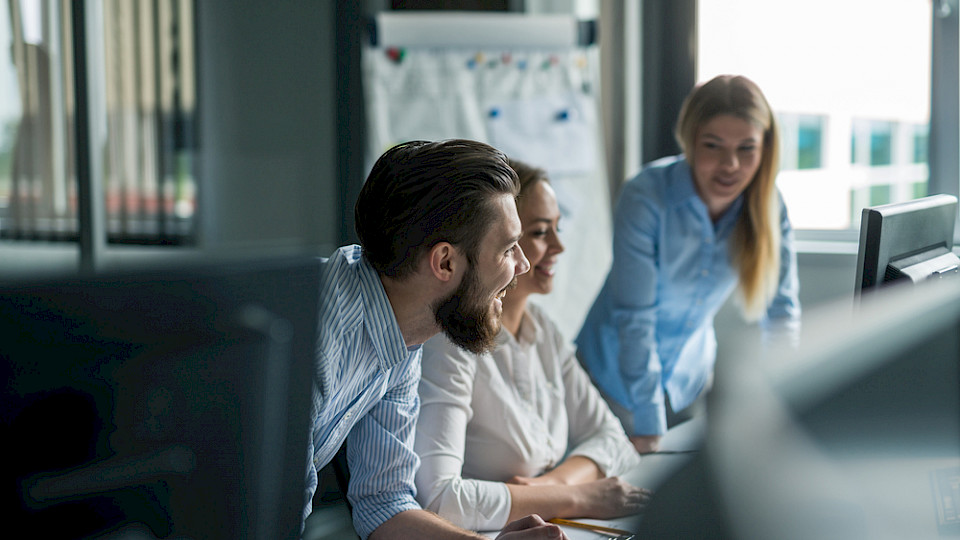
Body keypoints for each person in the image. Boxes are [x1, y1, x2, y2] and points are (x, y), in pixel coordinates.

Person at [308, 139, 571, 540]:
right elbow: (266, 515)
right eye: (507, 249)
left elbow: (384, 503)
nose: (523, 264)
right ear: (445, 261)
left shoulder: (403, 335)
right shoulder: (321, 333)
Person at [413, 158, 650, 532]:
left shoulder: (542, 330)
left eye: (557, 228)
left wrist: (548, 486)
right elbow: (440, 502)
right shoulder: (450, 342)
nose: (558, 246)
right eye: (540, 232)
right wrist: (579, 496)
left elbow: (612, 438)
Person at [576, 74, 801, 454]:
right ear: (690, 140)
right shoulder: (646, 195)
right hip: (610, 382)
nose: (730, 165)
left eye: (747, 148)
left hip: (688, 381)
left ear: (765, 149)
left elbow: (781, 314)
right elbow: (636, 317)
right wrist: (648, 423)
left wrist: (789, 405)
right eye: (713, 146)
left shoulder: (768, 206)